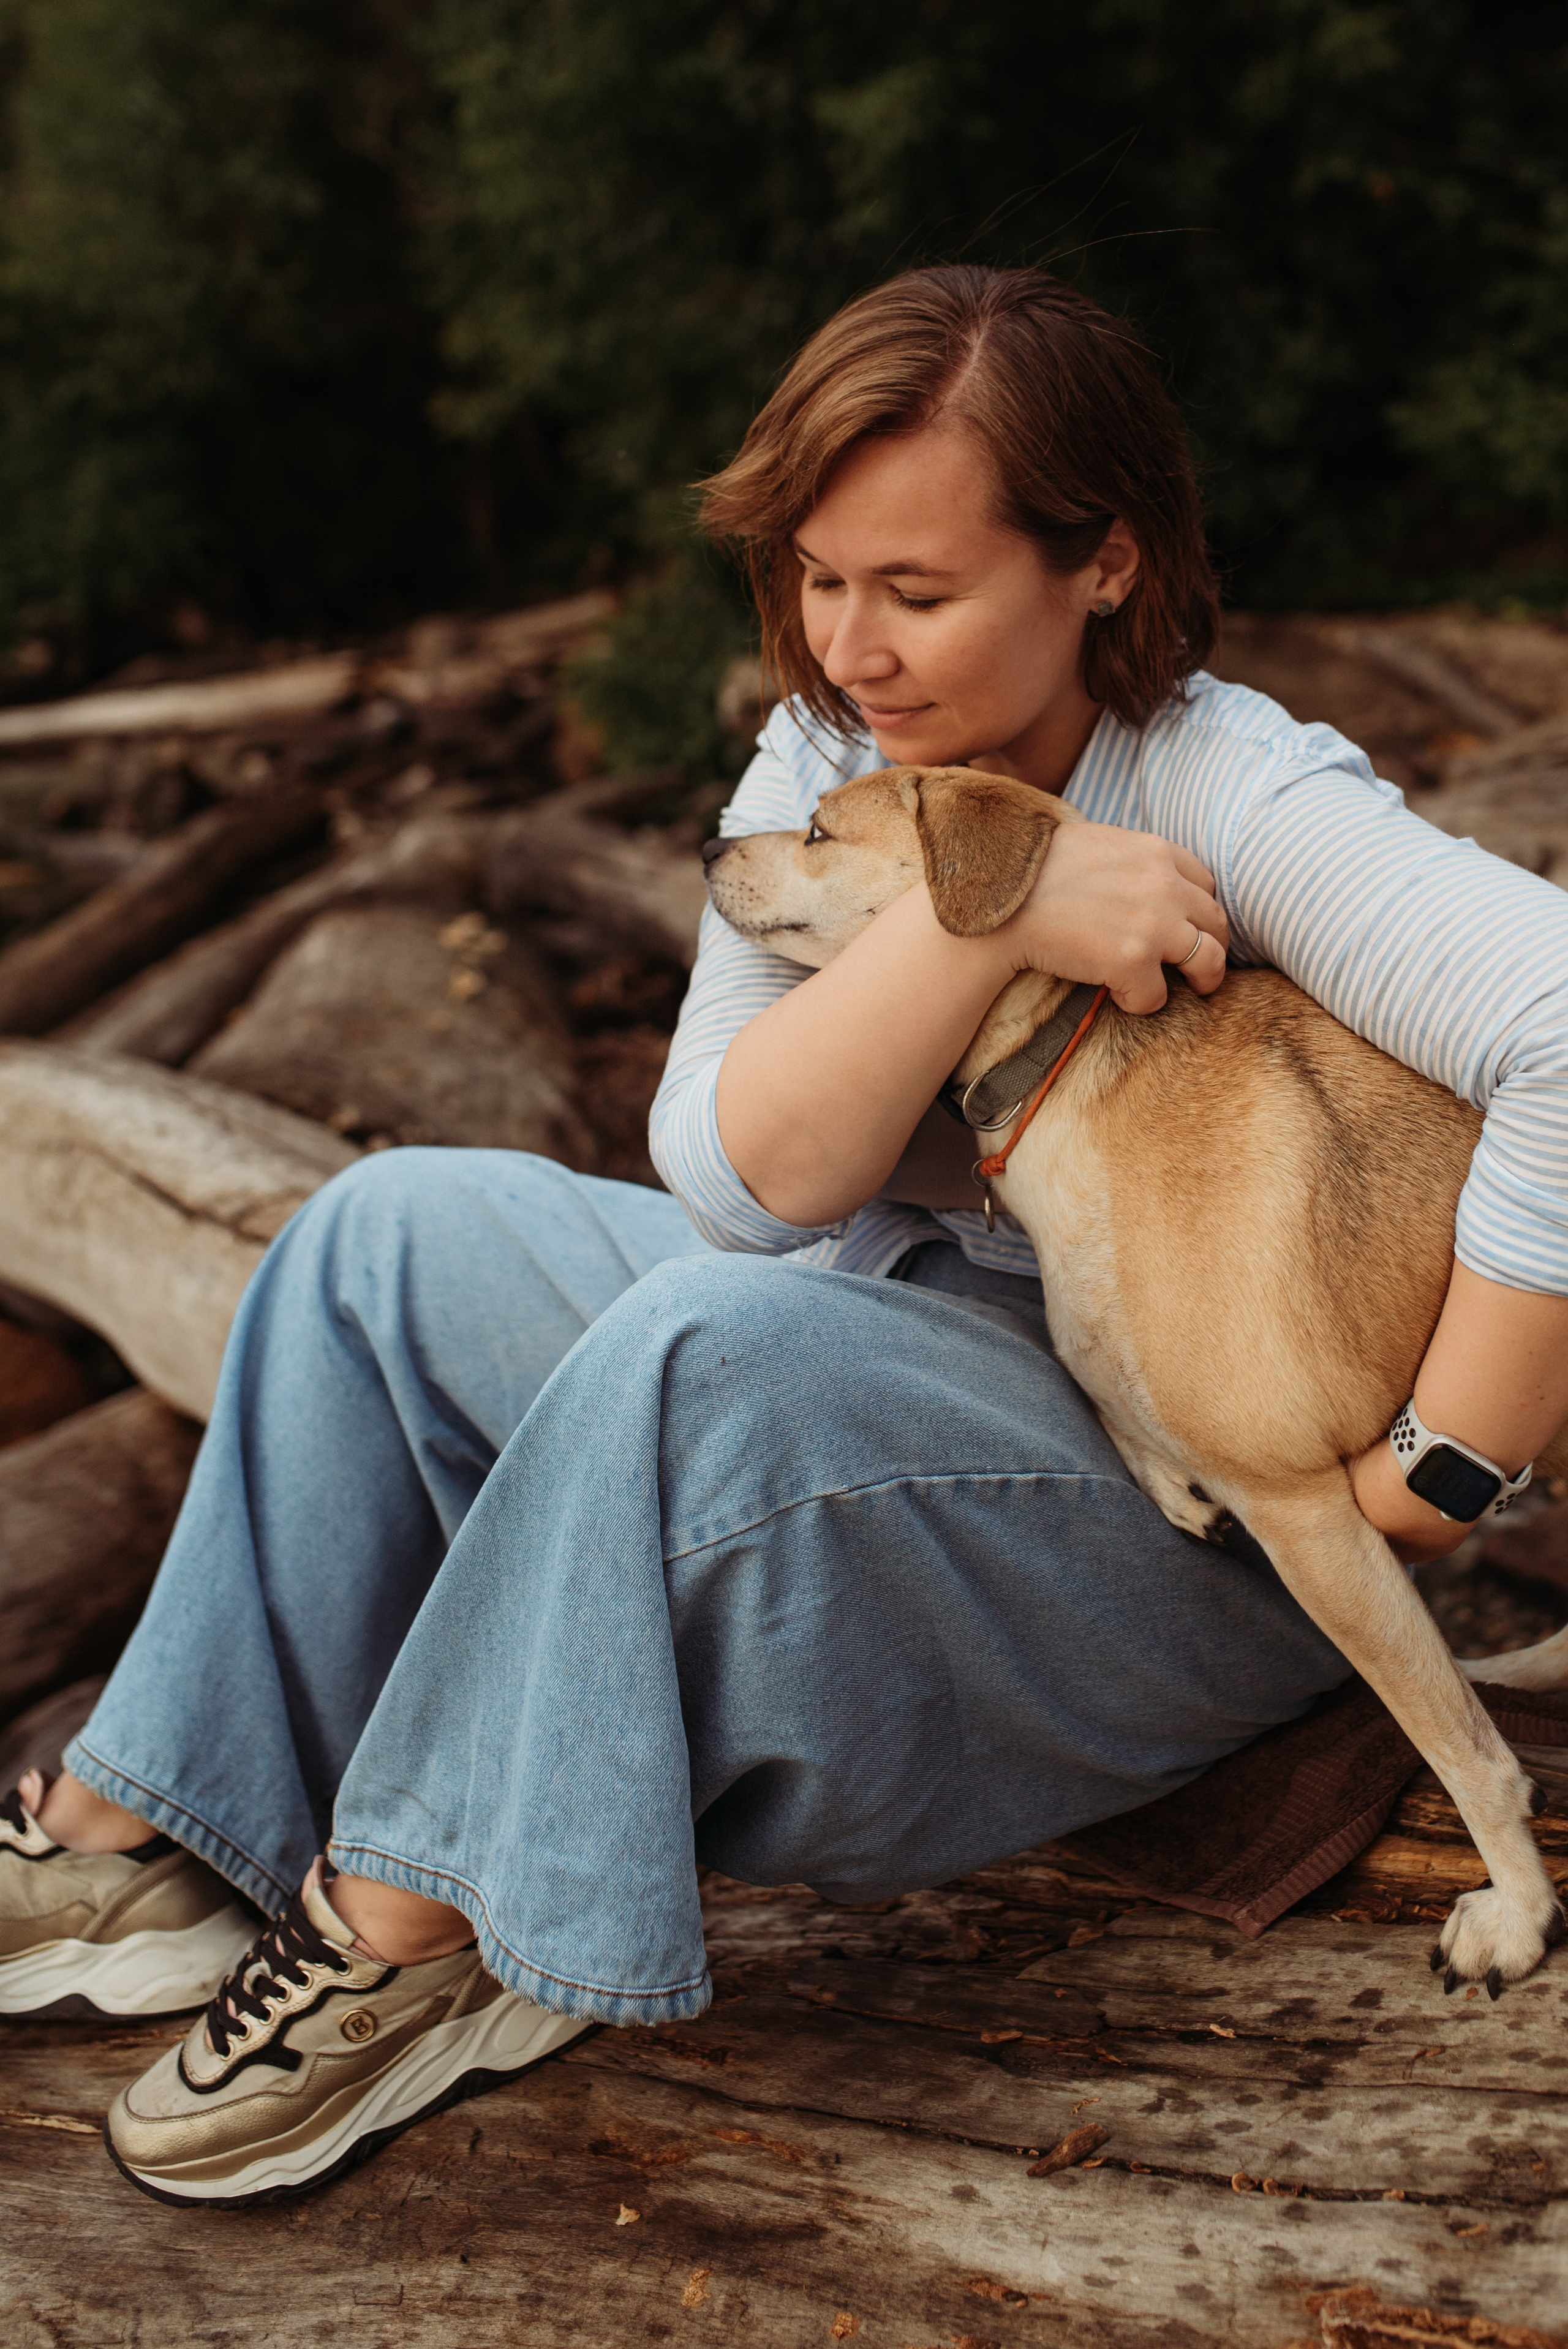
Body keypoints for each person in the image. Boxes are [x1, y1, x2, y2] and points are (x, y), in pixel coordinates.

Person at [5, 265, 1567, 2210]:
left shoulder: (1231, 790)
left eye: (916, 591)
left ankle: (431, 1927)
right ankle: (143, 1834)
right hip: (899, 1380)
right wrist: (993, 907)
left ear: (1107, 566)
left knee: (705, 1360)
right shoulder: (828, 760)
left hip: (1175, 1524)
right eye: (822, 579)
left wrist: (1443, 1469)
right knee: (384, 1233)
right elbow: (736, 1173)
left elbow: (1562, 1017)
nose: (853, 645)